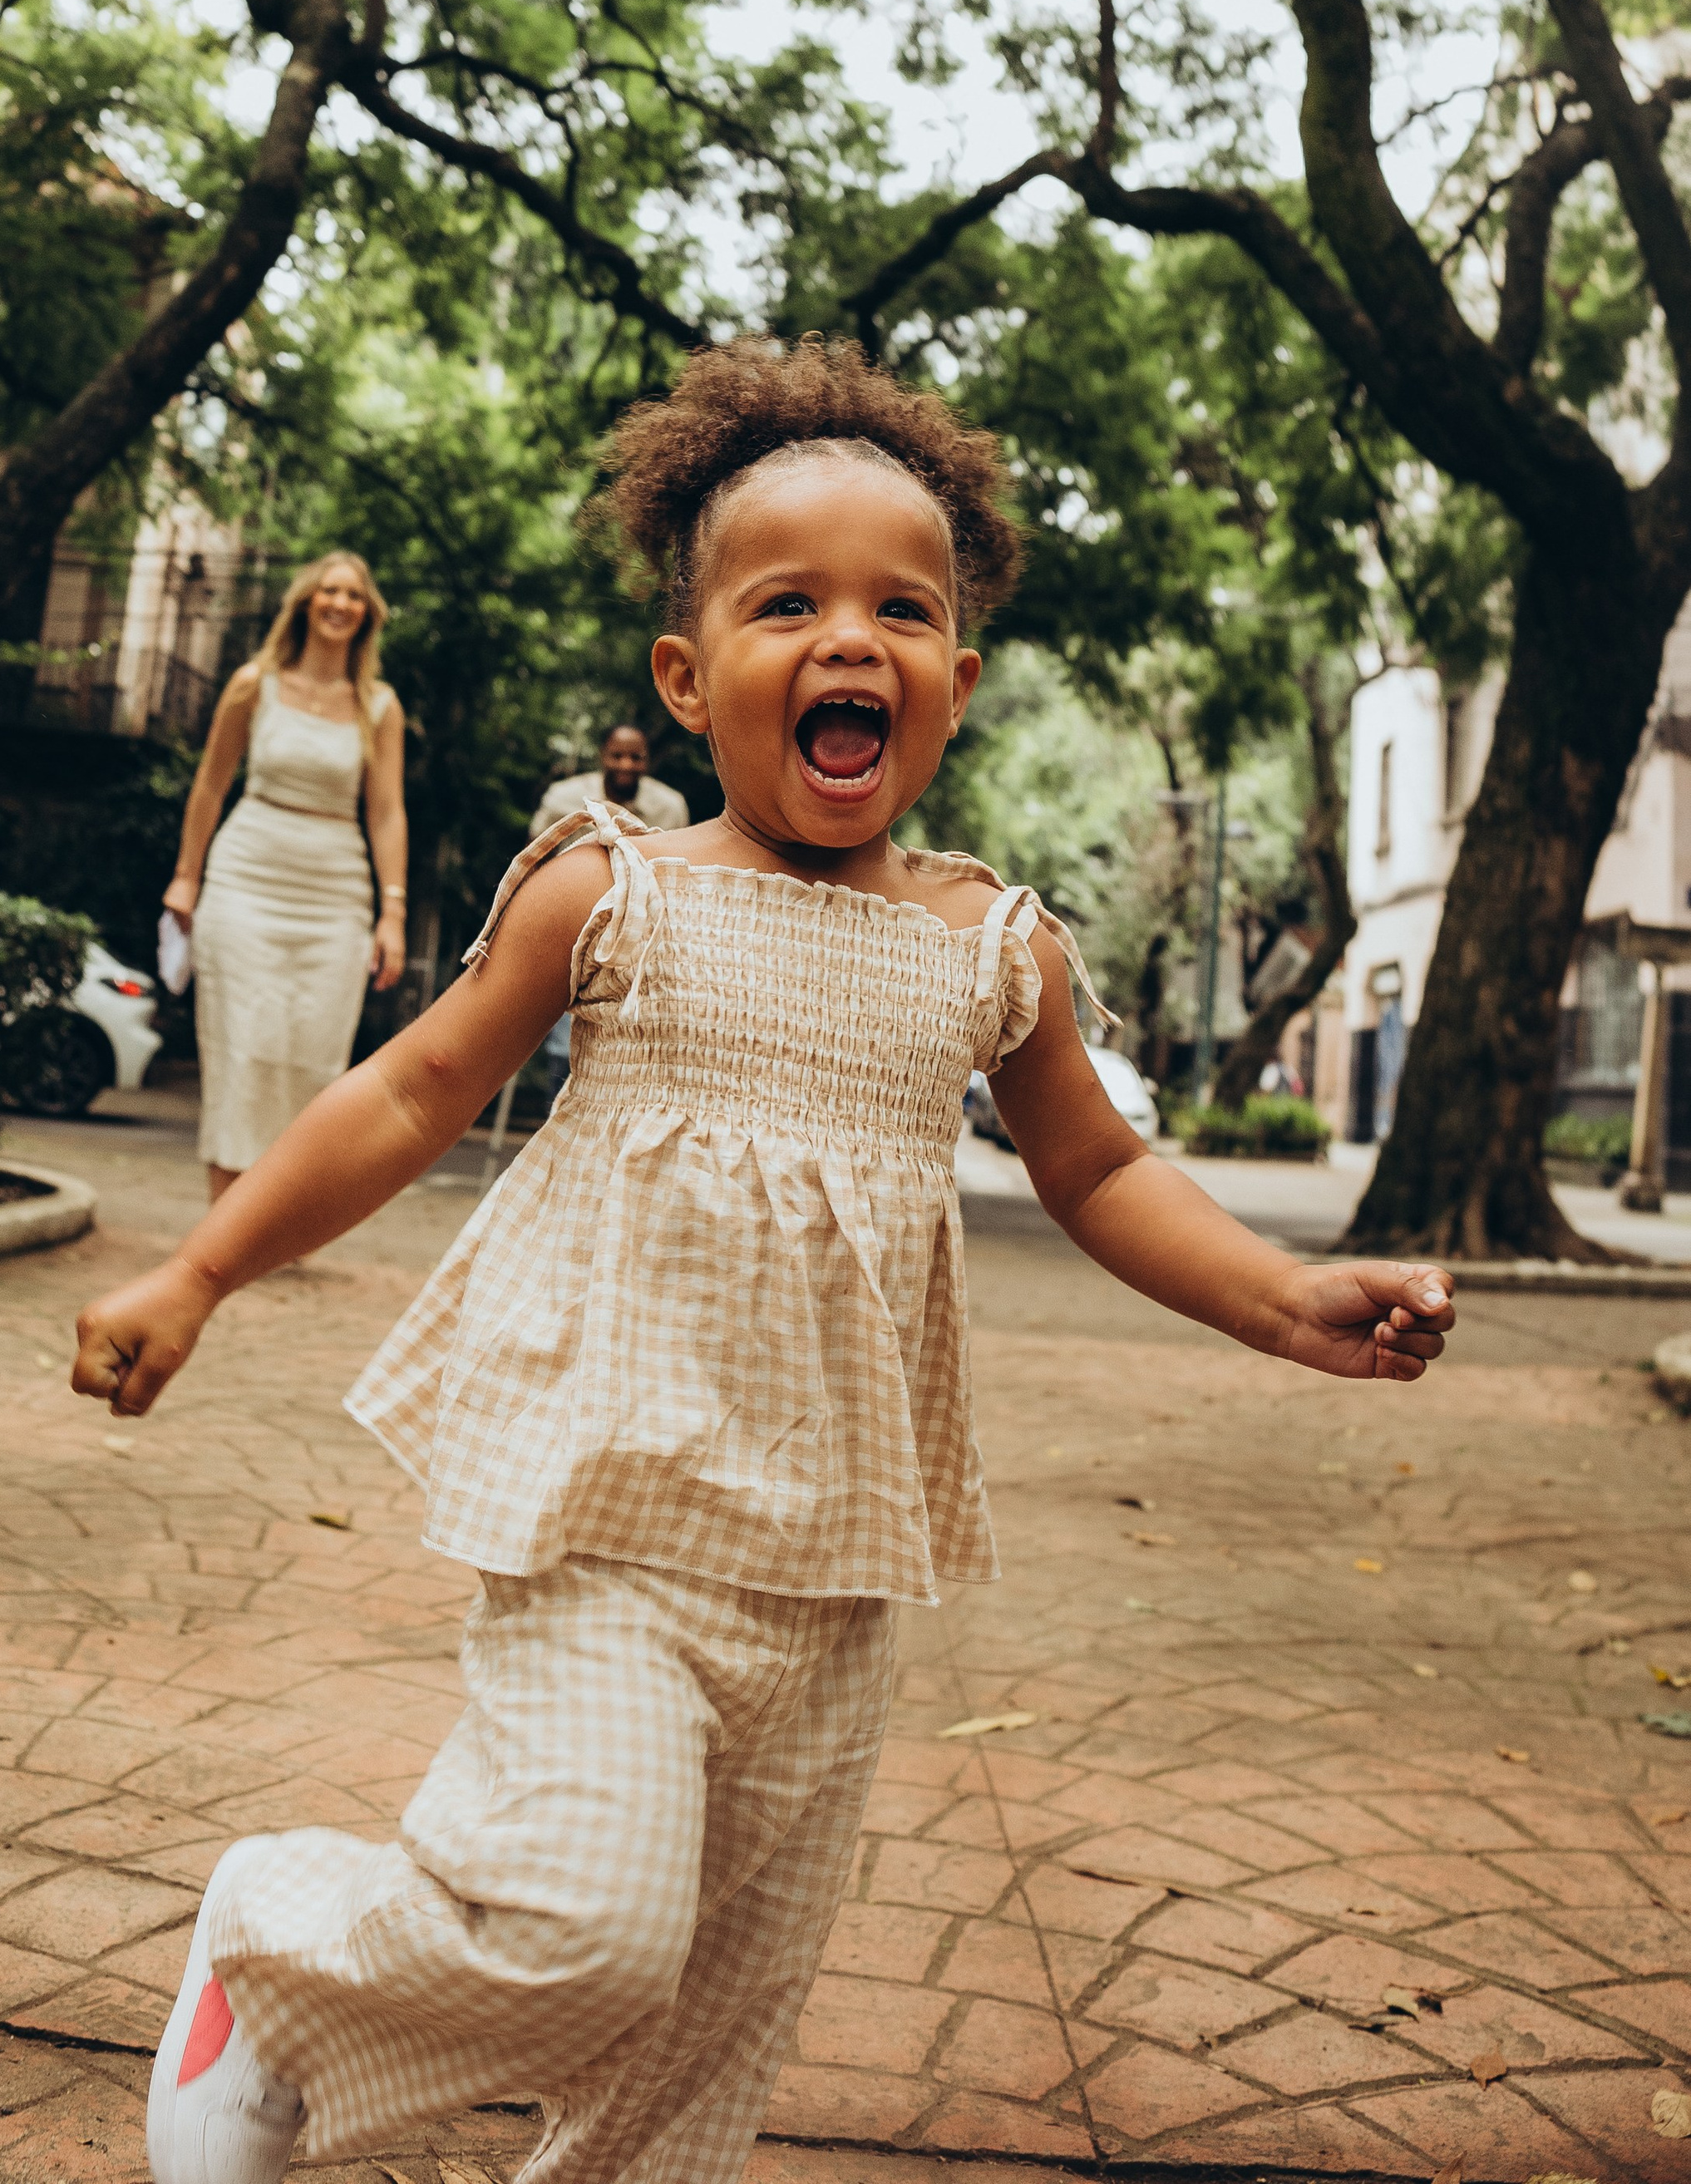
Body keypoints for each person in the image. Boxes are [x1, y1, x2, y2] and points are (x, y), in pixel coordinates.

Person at [74, 338, 1456, 2184]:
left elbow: (1096, 1165)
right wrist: (200, 1271)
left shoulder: (992, 948)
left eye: (900, 609)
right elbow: (407, 1091)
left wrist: (1283, 1297)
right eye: (783, 601)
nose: (846, 640)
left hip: (830, 1566)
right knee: (576, 1925)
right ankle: (276, 1943)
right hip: (607, 1526)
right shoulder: (611, 889)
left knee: (707, 2029)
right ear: (687, 671)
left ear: (952, 683)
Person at [163, 550, 407, 1204]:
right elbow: (210, 786)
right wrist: (186, 877)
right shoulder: (254, 683)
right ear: (305, 603)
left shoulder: (378, 705)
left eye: (353, 595)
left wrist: (393, 914)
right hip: (248, 873)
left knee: (312, 1056)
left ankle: (280, 1217)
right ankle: (224, 1217)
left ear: (366, 614)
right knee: (241, 1044)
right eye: (328, 591)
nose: (339, 603)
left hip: (335, 891)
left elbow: (386, 812)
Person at [530, 718, 689, 841]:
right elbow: (532, 856)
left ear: (647, 760)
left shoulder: (671, 807)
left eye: (636, 757)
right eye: (617, 756)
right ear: (603, 756)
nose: (626, 765)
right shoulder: (563, 796)